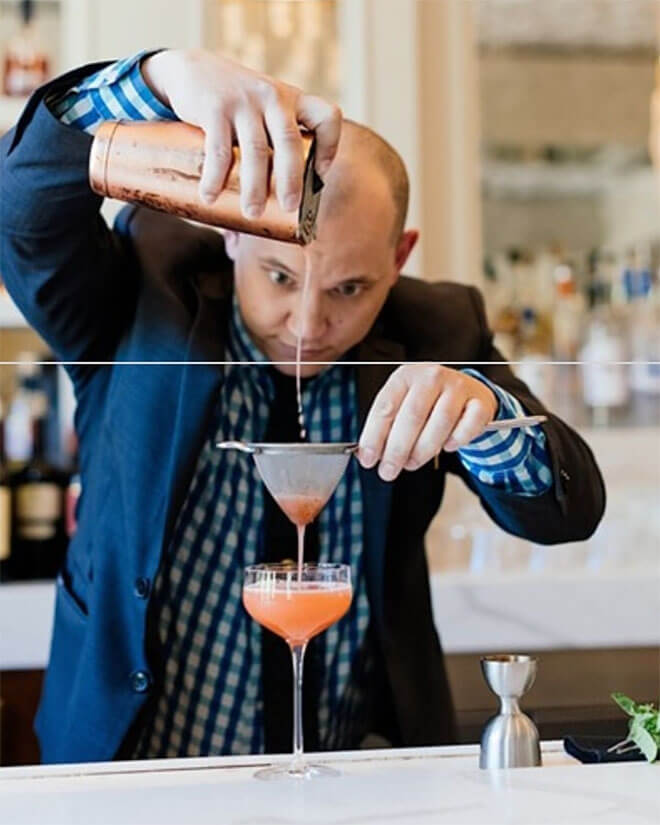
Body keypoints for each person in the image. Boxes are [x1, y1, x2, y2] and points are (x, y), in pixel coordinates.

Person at [0, 49, 605, 764]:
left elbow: (569, 506)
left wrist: (488, 415)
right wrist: (157, 81)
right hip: (127, 762)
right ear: (232, 230)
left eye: (350, 287)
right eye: (280, 274)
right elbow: (21, 206)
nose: (307, 323)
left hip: (352, 774)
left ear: (400, 255)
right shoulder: (138, 296)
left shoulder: (436, 332)